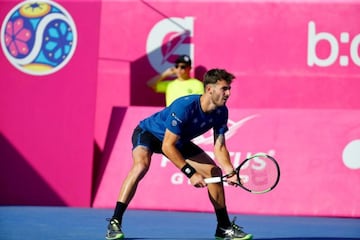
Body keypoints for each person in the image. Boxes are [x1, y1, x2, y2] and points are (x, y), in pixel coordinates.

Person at [105, 68, 253, 240]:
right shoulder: (185, 106)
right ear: (209, 89)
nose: (228, 93)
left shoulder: (221, 112)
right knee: (140, 166)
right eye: (224, 89)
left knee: (214, 173)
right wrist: (190, 173)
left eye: (229, 89)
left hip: (178, 140)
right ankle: (115, 221)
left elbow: (219, 148)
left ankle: (223, 227)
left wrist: (230, 171)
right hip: (149, 134)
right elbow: (167, 146)